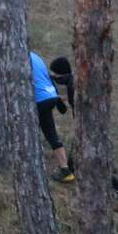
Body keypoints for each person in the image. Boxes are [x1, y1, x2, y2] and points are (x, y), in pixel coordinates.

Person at [30, 51, 74, 182]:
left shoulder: (18, 55)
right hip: (50, 96)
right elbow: (48, 77)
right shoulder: (36, 56)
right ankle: (65, 170)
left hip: (39, 99)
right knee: (51, 134)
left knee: (29, 134)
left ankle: (33, 167)